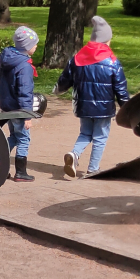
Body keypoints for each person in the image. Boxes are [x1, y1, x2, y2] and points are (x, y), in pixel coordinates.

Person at [56, 15, 129, 178]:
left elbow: (64, 79)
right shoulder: (112, 61)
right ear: (106, 40)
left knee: (85, 133)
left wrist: (58, 90)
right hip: (103, 109)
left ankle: (74, 154)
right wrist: (129, 109)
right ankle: (93, 168)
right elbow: (121, 89)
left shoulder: (77, 58)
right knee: (100, 137)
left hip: (83, 106)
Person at [0, 25, 40, 182]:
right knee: (24, 139)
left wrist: (0, 101)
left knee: (14, 136)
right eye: (35, 44)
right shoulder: (24, 66)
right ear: (27, 47)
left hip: (8, 106)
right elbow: (24, 91)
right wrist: (27, 115)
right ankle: (20, 172)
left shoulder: (7, 59)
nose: (36, 46)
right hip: (19, 109)